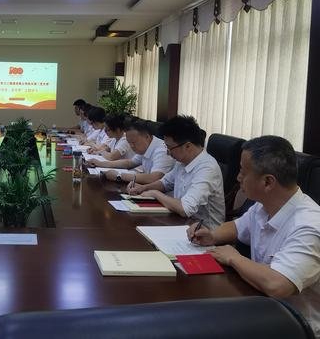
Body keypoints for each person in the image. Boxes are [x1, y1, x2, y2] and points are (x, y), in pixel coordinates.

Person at [188, 136, 320, 335]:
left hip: (297, 327)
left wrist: (233, 258)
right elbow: (237, 227)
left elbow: (278, 285)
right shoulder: (264, 205)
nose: (238, 177)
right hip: (263, 308)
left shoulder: (309, 225)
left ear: (268, 182)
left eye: (243, 171)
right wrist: (212, 236)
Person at [127, 115, 225, 228]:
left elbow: (185, 209)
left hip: (204, 231)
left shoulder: (207, 168)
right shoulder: (182, 161)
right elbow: (165, 183)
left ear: (187, 146)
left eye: (170, 148)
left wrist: (155, 193)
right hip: (180, 221)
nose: (168, 153)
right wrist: (143, 188)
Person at [94, 118, 175, 184]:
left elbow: (154, 178)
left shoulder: (162, 150)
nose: (132, 146)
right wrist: (101, 164)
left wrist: (119, 176)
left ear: (147, 137)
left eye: (133, 142)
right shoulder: (145, 146)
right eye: (129, 143)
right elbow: (129, 163)